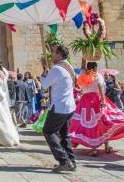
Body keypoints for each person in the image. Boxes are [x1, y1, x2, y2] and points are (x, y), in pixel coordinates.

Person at [69, 62, 124, 156]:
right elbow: (100, 87)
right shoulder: (97, 75)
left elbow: (81, 82)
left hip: (85, 101)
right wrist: (103, 100)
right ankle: (106, 146)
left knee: (89, 124)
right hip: (96, 99)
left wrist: (84, 57)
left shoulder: (83, 75)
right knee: (104, 122)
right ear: (95, 68)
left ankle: (93, 148)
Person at [40, 45, 77, 173]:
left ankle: (64, 161)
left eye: (54, 53)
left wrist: (44, 72)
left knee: (48, 131)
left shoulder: (57, 69)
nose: (52, 55)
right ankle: (71, 161)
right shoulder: (69, 67)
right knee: (64, 135)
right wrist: (47, 69)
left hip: (59, 106)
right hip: (70, 106)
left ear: (59, 55)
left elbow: (44, 84)